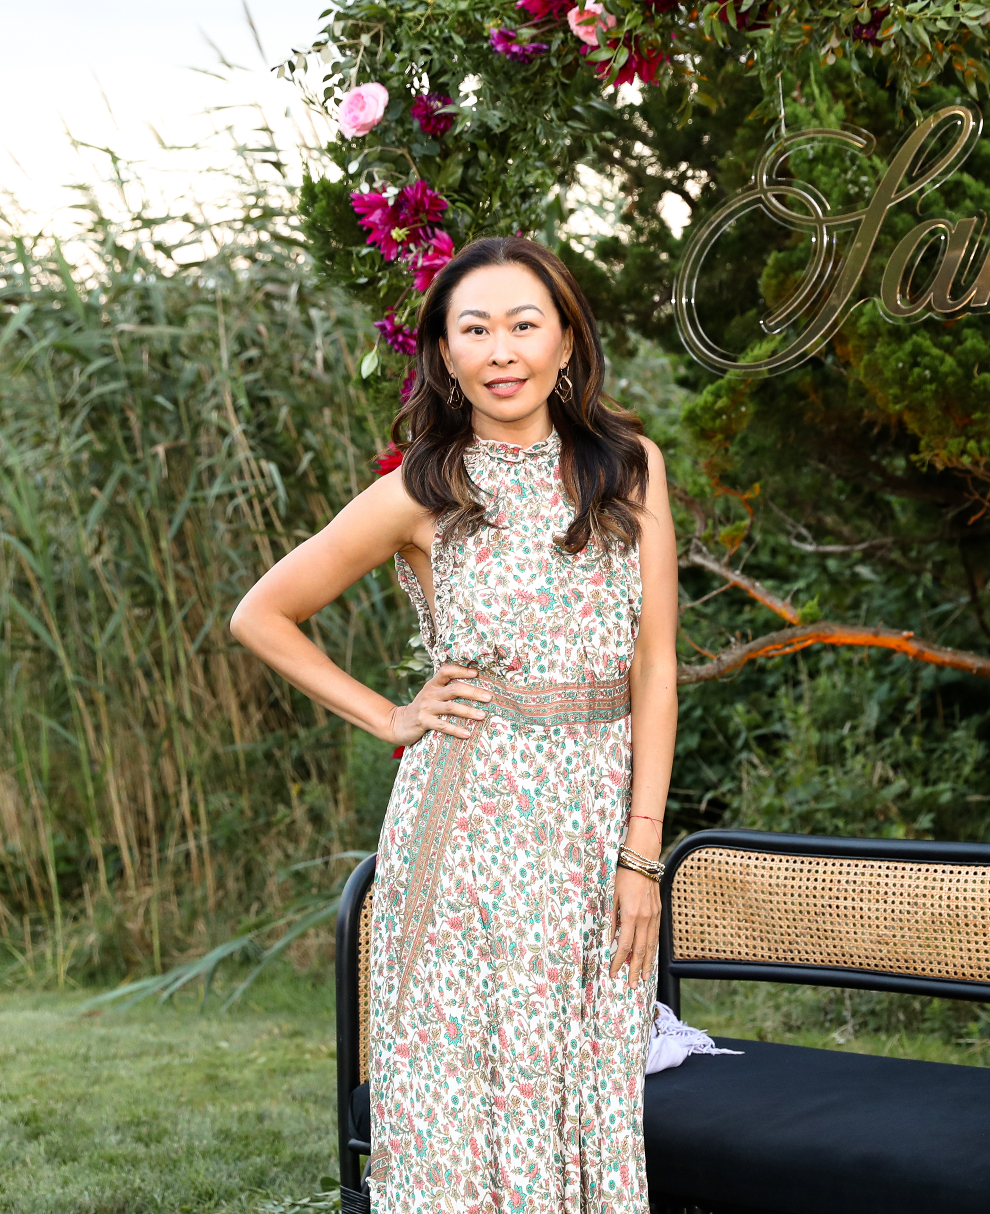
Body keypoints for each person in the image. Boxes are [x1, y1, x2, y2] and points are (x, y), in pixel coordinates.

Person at [230, 235, 678, 1214]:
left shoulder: (629, 469)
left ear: (567, 341)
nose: (501, 350)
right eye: (474, 329)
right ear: (443, 351)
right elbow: (261, 614)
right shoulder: (420, 490)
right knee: (463, 1086)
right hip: (465, 830)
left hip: (591, 831)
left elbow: (655, 667)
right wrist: (392, 713)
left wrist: (641, 855)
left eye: (524, 324)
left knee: (585, 1076)